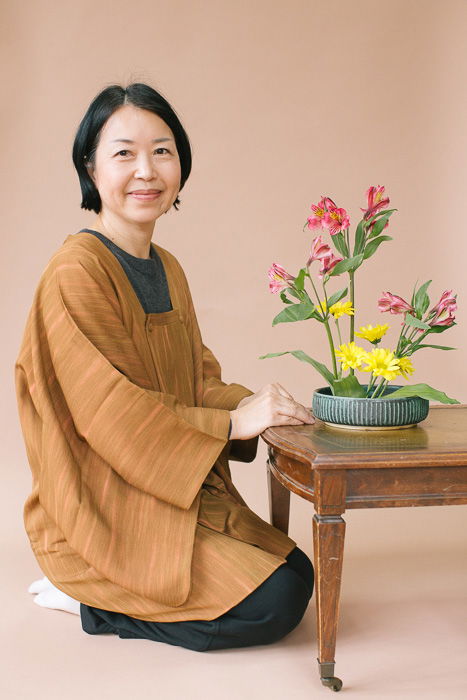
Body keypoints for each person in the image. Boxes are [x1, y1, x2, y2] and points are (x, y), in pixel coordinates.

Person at [15, 83, 315, 653]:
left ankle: (117, 593)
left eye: (163, 150)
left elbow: (197, 377)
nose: (146, 170)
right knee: (274, 605)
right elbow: (113, 415)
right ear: (90, 166)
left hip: (166, 489)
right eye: (124, 152)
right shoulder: (75, 272)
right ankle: (90, 600)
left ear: (181, 165)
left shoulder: (167, 267)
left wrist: (261, 407)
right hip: (103, 504)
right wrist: (230, 425)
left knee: (298, 574)